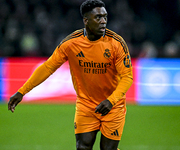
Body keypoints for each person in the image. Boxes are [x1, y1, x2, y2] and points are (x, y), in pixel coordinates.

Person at [8, 0, 133, 150]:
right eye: (98, 17)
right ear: (86, 20)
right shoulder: (71, 43)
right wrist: (22, 91)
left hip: (113, 106)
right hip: (86, 105)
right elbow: (48, 67)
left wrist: (111, 101)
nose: (103, 21)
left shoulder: (116, 43)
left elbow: (127, 76)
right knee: (82, 147)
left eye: (105, 17)